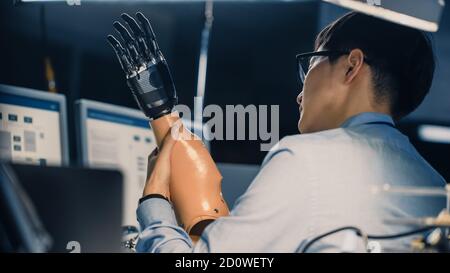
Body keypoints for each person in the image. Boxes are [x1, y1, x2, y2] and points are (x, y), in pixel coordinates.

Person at [109, 12, 447, 253]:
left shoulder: (305, 160)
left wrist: (155, 206)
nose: (300, 93)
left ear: (351, 65)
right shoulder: (433, 186)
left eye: (311, 64)